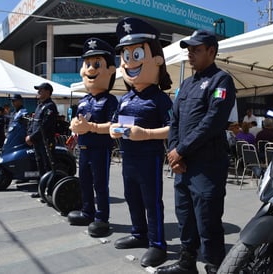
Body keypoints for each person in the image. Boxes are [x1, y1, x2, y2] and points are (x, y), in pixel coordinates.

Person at [159, 30, 236, 274]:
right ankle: (186, 263)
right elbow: (174, 121)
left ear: (211, 51)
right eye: (189, 49)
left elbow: (213, 122)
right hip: (182, 166)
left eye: (196, 49)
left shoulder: (221, 81)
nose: (190, 53)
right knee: (185, 217)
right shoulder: (185, 85)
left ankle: (214, 267)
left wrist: (180, 150)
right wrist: (173, 152)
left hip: (207, 166)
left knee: (208, 221)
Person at [109, 17, 173, 268]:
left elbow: (172, 129)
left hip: (149, 156)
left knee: (151, 199)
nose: (130, 62)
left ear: (156, 60)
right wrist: (114, 130)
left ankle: (157, 243)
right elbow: (114, 123)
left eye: (136, 54)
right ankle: (139, 233)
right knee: (131, 196)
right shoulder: (125, 98)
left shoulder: (159, 99)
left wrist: (146, 134)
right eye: (126, 56)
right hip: (128, 156)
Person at [66, 37, 118, 238]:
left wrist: (92, 127)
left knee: (100, 184)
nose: (90, 69)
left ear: (110, 70)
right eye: (87, 64)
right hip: (84, 148)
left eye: (96, 64)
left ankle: (102, 217)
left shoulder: (110, 100)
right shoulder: (83, 100)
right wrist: (74, 129)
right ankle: (87, 211)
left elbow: (114, 126)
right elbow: (75, 122)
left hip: (100, 149)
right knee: (84, 182)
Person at [25, 82, 58, 198]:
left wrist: (32, 137)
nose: (38, 92)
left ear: (48, 92)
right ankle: (41, 190)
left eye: (41, 90)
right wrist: (29, 135)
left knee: (48, 166)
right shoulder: (40, 106)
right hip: (38, 142)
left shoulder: (50, 106)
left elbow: (45, 126)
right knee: (40, 166)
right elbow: (34, 123)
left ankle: (50, 192)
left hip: (46, 142)